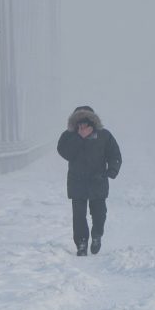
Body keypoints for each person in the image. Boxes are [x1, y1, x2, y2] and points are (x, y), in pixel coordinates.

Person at [56, 105, 122, 256]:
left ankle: (97, 235)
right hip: (77, 182)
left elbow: (115, 154)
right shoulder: (69, 136)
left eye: (85, 123)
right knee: (78, 216)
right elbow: (65, 152)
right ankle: (81, 243)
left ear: (92, 122)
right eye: (79, 123)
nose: (82, 126)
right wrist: (79, 138)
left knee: (99, 214)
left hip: (98, 181)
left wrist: (112, 170)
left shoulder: (104, 135)